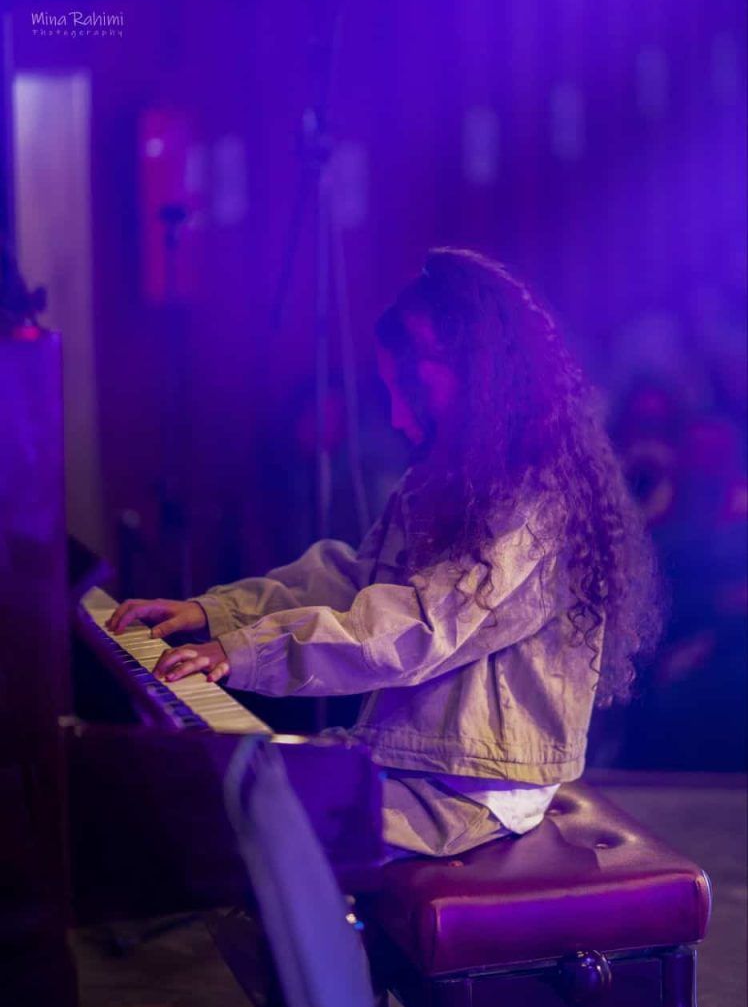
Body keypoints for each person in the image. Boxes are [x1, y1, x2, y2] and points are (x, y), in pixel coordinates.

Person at [108, 248, 662, 858]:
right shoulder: (444, 479)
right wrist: (215, 614)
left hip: (478, 783)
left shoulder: (532, 501)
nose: (397, 416)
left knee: (250, 822)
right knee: (223, 799)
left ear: (477, 374)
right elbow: (357, 580)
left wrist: (243, 654)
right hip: (422, 758)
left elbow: (421, 626)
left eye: (410, 388)